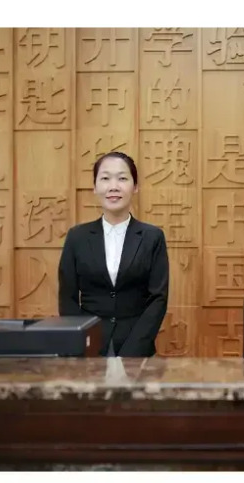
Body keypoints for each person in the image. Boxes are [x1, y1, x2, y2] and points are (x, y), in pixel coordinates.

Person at [58, 151, 169, 357]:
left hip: (136, 346)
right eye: (105, 178)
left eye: (122, 178)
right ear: (95, 187)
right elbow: (67, 298)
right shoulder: (77, 237)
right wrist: (84, 342)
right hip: (89, 347)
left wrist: (134, 350)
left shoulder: (152, 237)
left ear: (135, 187)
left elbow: (158, 299)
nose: (113, 186)